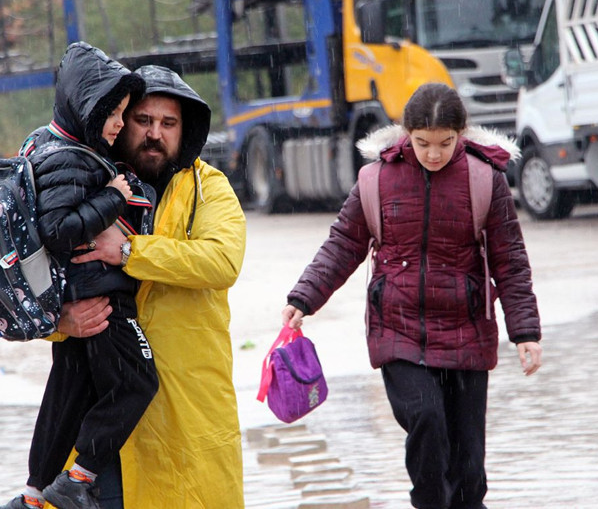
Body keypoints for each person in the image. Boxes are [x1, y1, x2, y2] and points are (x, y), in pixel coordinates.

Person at [282, 83, 543, 509]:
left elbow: (510, 259)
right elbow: (343, 244)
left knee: (468, 466)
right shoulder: (377, 179)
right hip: (398, 331)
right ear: (407, 134)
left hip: (466, 332)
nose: (433, 154)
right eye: (422, 143)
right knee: (426, 418)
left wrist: (525, 332)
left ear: (461, 134)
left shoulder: (485, 180)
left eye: (445, 143)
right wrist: (304, 297)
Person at [62, 65, 247, 508]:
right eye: (143, 120)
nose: (155, 134)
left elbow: (222, 261)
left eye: (168, 123)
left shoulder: (209, 188)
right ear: (121, 121)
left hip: (186, 413)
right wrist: (59, 322)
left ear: (186, 130)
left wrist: (129, 252)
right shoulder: (85, 183)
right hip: (100, 420)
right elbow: (38, 281)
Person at [0, 42, 159, 509]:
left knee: (67, 398)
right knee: (138, 382)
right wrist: (114, 196)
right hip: (101, 297)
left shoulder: (42, 143)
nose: (120, 124)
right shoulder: (69, 155)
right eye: (114, 112)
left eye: (124, 113)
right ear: (87, 105)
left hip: (75, 296)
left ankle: (32, 496)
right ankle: (78, 478)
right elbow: (59, 230)